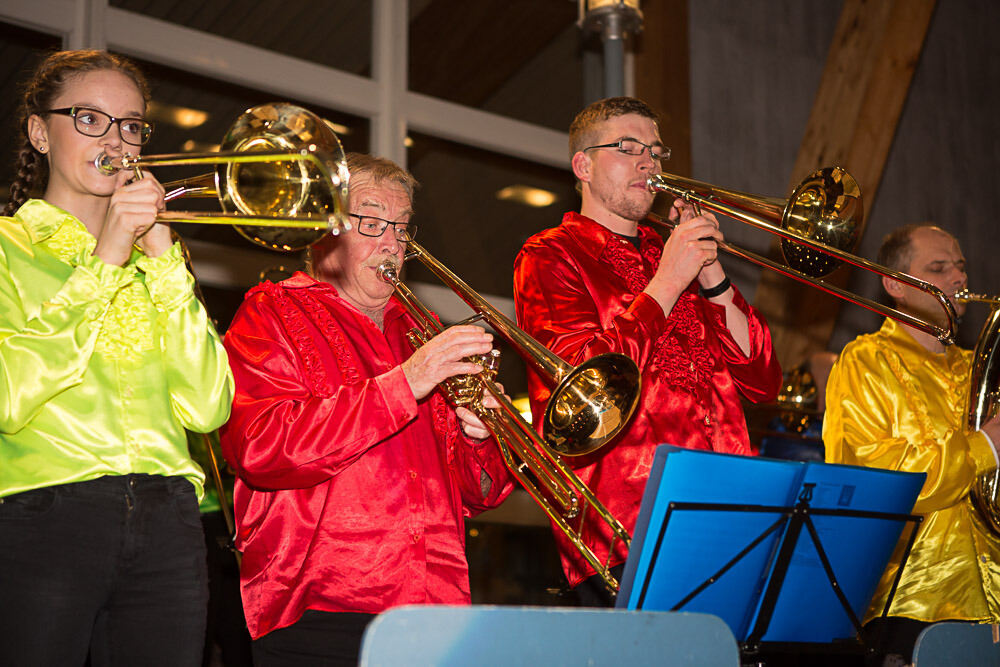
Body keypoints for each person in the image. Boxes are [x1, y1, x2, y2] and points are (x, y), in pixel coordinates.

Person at [220, 152, 515, 665]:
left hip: (436, 607)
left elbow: (479, 494)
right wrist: (406, 383)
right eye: (372, 222)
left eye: (401, 229)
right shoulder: (271, 311)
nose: (392, 244)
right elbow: (262, 449)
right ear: (325, 228)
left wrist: (482, 437)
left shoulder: (424, 333)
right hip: (322, 604)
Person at [0, 50, 234, 665]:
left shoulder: (153, 263)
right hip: (43, 515)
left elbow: (209, 406)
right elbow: (7, 395)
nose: (115, 140)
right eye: (89, 119)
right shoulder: (5, 248)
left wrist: (161, 257)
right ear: (37, 132)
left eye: (130, 125)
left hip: (170, 524)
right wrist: (105, 259)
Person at [512, 96, 782, 605]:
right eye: (629, 148)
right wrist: (666, 283)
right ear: (583, 165)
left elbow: (763, 381)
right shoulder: (550, 254)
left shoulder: (672, 255)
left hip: (733, 514)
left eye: (656, 152)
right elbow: (583, 377)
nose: (648, 163)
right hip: (623, 527)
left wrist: (709, 273)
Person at [823, 224, 1000, 665]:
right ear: (894, 284)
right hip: (913, 606)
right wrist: (984, 447)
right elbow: (881, 487)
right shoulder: (865, 361)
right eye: (939, 268)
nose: (958, 277)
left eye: (960, 266)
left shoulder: (978, 367)